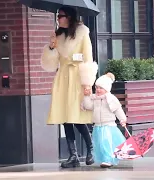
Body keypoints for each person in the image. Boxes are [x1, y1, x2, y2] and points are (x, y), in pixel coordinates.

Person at [40, 6, 98, 168]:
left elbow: (88, 58)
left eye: (61, 16)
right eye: (58, 16)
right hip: (62, 78)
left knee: (77, 117)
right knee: (65, 118)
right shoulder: (57, 36)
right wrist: (51, 48)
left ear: (70, 17)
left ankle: (90, 149)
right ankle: (73, 155)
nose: (58, 18)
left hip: (77, 78)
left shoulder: (82, 32)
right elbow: (50, 64)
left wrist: (87, 83)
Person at [81, 73, 127, 168]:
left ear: (106, 89)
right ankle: (103, 159)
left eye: (101, 88)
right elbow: (88, 106)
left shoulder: (111, 99)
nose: (98, 90)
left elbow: (118, 109)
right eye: (97, 88)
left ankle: (108, 159)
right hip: (98, 125)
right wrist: (86, 97)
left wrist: (122, 119)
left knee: (106, 142)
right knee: (99, 144)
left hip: (108, 125)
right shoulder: (95, 98)